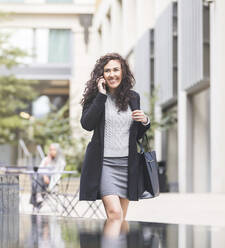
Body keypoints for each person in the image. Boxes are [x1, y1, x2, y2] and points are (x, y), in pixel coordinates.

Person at [79, 53, 151, 236]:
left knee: (121, 219)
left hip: (128, 165)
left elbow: (135, 135)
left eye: (116, 70)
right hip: (104, 166)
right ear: (101, 75)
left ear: (123, 72)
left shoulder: (133, 97)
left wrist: (145, 121)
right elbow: (87, 124)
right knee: (115, 214)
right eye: (107, 71)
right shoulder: (95, 98)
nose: (112, 74)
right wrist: (101, 96)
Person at [30, 143, 66, 212]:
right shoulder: (46, 159)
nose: (51, 151)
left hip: (52, 182)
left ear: (57, 151)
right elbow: (40, 170)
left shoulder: (61, 161)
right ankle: (38, 197)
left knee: (36, 181)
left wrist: (46, 175)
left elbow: (57, 173)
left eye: (53, 150)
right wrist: (46, 164)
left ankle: (37, 201)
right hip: (43, 181)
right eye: (50, 150)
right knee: (36, 179)